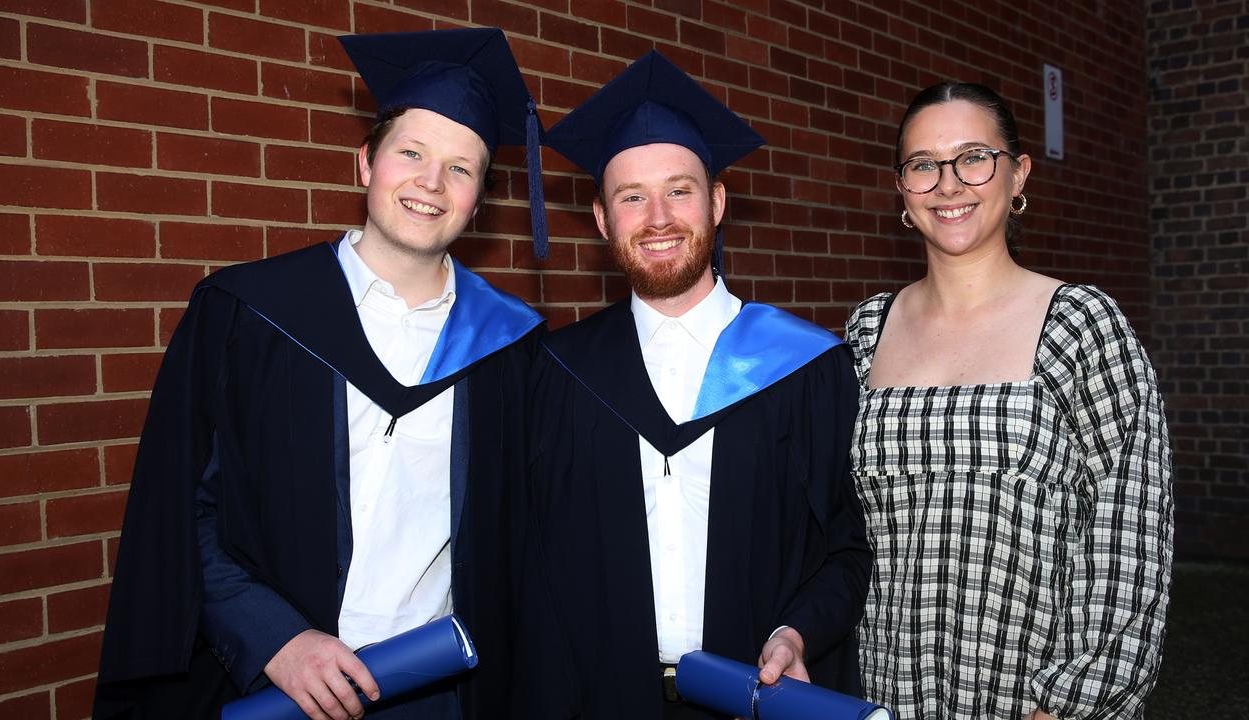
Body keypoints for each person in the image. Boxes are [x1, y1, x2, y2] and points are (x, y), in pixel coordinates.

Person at [93, 28, 547, 720]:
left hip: (442, 695)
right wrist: (274, 638)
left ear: (480, 198)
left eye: (462, 168)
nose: (432, 182)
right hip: (275, 688)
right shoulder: (248, 315)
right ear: (366, 162)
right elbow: (180, 510)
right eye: (412, 153)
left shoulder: (511, 348)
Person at [519, 51, 872, 719]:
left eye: (679, 190)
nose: (657, 217)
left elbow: (844, 551)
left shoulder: (805, 366)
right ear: (601, 218)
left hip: (755, 700)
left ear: (716, 201)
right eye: (632, 196)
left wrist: (798, 633)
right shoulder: (555, 372)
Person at [846, 82, 1173, 719]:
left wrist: (1073, 703)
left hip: (1028, 697)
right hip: (882, 693)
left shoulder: (1081, 327)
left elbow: (1127, 534)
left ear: (1018, 175)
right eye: (923, 165)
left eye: (973, 157)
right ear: (902, 190)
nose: (948, 184)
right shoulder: (865, 332)